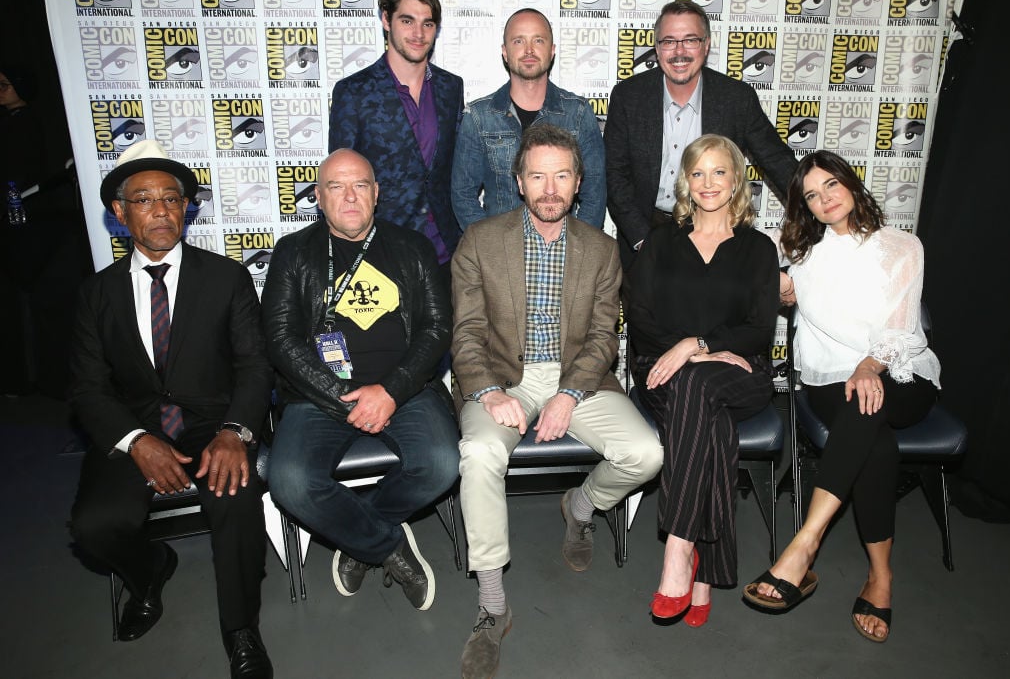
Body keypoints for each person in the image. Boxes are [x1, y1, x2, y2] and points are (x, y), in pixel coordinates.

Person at [452, 123, 662, 678]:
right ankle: (493, 606)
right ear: (519, 182)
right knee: (478, 454)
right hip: (503, 378)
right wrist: (492, 392)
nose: (550, 188)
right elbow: (467, 333)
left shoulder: (601, 248)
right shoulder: (480, 240)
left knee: (646, 453)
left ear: (578, 183)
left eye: (562, 175)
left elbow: (600, 338)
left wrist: (569, 393)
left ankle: (581, 506)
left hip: (577, 377)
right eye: (538, 175)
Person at [68, 140, 274, 678]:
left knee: (234, 496)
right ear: (120, 212)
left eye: (171, 198)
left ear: (187, 207)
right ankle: (149, 571)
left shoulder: (226, 277)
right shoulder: (96, 294)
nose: (161, 210)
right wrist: (136, 441)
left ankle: (241, 628)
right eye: (144, 199)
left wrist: (235, 432)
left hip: (212, 427)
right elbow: (88, 388)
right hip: (133, 430)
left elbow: (256, 367)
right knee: (94, 525)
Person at [742, 150, 942, 644]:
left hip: (901, 372)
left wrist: (872, 365)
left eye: (830, 185)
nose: (824, 198)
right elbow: (761, 274)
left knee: (866, 404)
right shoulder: (803, 258)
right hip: (831, 382)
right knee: (871, 438)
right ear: (805, 207)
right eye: (811, 195)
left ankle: (804, 546)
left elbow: (902, 326)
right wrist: (784, 292)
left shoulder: (901, 246)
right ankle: (881, 577)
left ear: (851, 185)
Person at [263, 148, 459, 613]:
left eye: (360, 185)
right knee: (288, 479)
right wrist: (343, 397)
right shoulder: (293, 252)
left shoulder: (412, 246)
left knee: (440, 463)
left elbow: (436, 328)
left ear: (377, 192)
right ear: (318, 197)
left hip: (405, 390)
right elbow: (280, 339)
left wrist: (390, 390)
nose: (349, 197)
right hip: (319, 395)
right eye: (335, 186)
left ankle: (356, 533)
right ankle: (385, 546)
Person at [624, 134, 778, 629]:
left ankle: (678, 547)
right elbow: (639, 313)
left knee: (700, 388)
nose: (708, 183)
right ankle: (705, 569)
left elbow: (759, 328)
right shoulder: (662, 239)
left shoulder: (758, 248)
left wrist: (697, 344)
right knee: (702, 406)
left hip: (739, 371)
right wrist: (683, 349)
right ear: (685, 182)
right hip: (662, 368)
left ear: (736, 180)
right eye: (697, 173)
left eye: (719, 172)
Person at [604, 0, 798, 268]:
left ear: (706, 45)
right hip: (644, 233)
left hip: (713, 233)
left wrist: (819, 203)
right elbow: (614, 174)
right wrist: (643, 241)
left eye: (690, 40)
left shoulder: (736, 99)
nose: (679, 51)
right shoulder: (628, 97)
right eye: (669, 41)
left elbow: (778, 161)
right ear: (657, 49)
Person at [328, 0, 464, 272]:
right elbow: (341, 179)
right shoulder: (354, 92)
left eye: (428, 23)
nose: (418, 33)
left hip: (444, 251)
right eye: (407, 20)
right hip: (380, 253)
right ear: (386, 20)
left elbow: (451, 169)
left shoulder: (450, 87)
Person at [450, 8, 606, 231]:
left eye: (538, 40)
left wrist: (576, 252)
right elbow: (462, 195)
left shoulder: (578, 113)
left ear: (552, 51)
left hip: (564, 252)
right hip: (500, 254)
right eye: (518, 41)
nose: (529, 50)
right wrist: (488, 248)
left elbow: (595, 195)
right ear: (505, 52)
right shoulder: (478, 117)